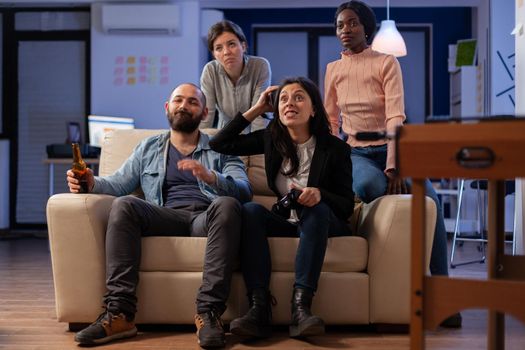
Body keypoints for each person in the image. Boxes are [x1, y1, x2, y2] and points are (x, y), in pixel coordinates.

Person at [67, 83, 252, 348]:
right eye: (178, 100)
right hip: (165, 216)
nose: (184, 106)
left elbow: (244, 193)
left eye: (192, 102)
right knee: (124, 204)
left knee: (228, 204)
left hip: (206, 219)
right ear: (168, 107)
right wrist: (90, 182)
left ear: (204, 113)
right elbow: (118, 184)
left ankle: (208, 313)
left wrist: (211, 176)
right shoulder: (149, 147)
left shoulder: (221, 147)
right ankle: (120, 313)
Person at [324, 0, 461, 327]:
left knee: (430, 200)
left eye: (353, 23)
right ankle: (398, 285)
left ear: (366, 27)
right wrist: (330, 164)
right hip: (356, 151)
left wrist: (394, 164)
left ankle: (442, 293)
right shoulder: (333, 70)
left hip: (394, 147)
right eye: (341, 25)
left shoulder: (386, 63)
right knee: (371, 187)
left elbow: (395, 116)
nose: (346, 30)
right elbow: (330, 122)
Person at [210, 77, 354, 339]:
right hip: (288, 221)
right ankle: (259, 306)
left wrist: (320, 194)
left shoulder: (336, 149)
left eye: (299, 97)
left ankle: (301, 307)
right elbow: (219, 143)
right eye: (284, 99)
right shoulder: (271, 139)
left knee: (316, 209)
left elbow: (346, 205)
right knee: (251, 211)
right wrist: (256, 109)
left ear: (313, 109)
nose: (290, 103)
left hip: (321, 221)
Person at [199, 20, 271, 132]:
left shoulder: (260, 66)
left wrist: (258, 146)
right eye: (219, 48)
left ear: (243, 46)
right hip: (224, 135)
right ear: (214, 54)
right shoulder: (210, 70)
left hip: (255, 133)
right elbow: (206, 115)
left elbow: (259, 112)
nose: (226, 52)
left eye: (231, 44)